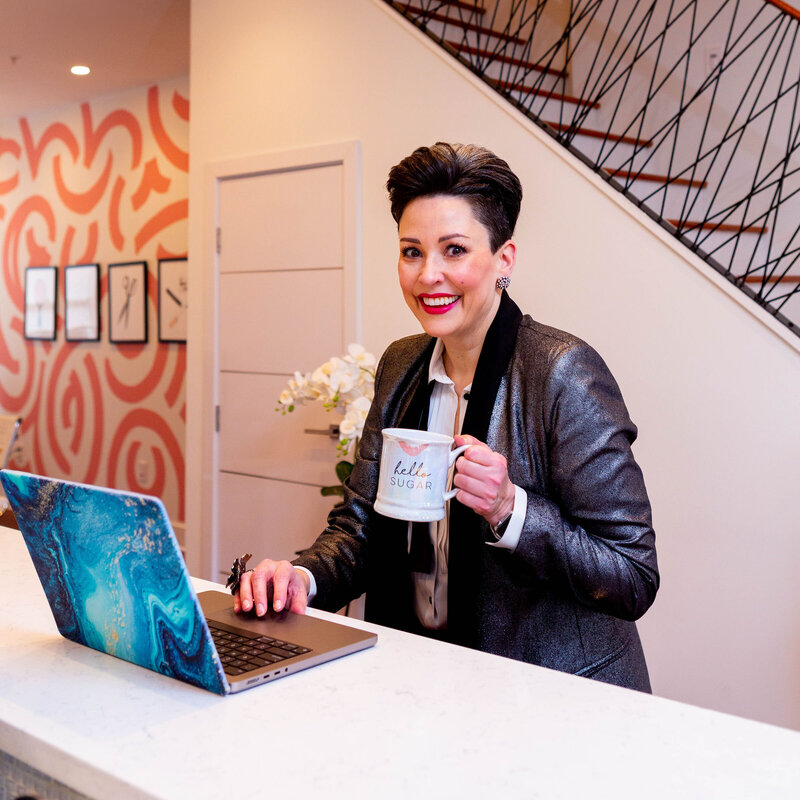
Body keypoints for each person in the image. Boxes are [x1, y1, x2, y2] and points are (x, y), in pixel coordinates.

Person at [235, 142, 659, 691]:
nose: (428, 275)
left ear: (504, 260)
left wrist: (510, 508)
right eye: (411, 252)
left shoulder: (563, 373)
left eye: (454, 250)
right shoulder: (400, 364)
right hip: (420, 678)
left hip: (549, 697)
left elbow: (633, 575)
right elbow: (361, 527)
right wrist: (301, 578)